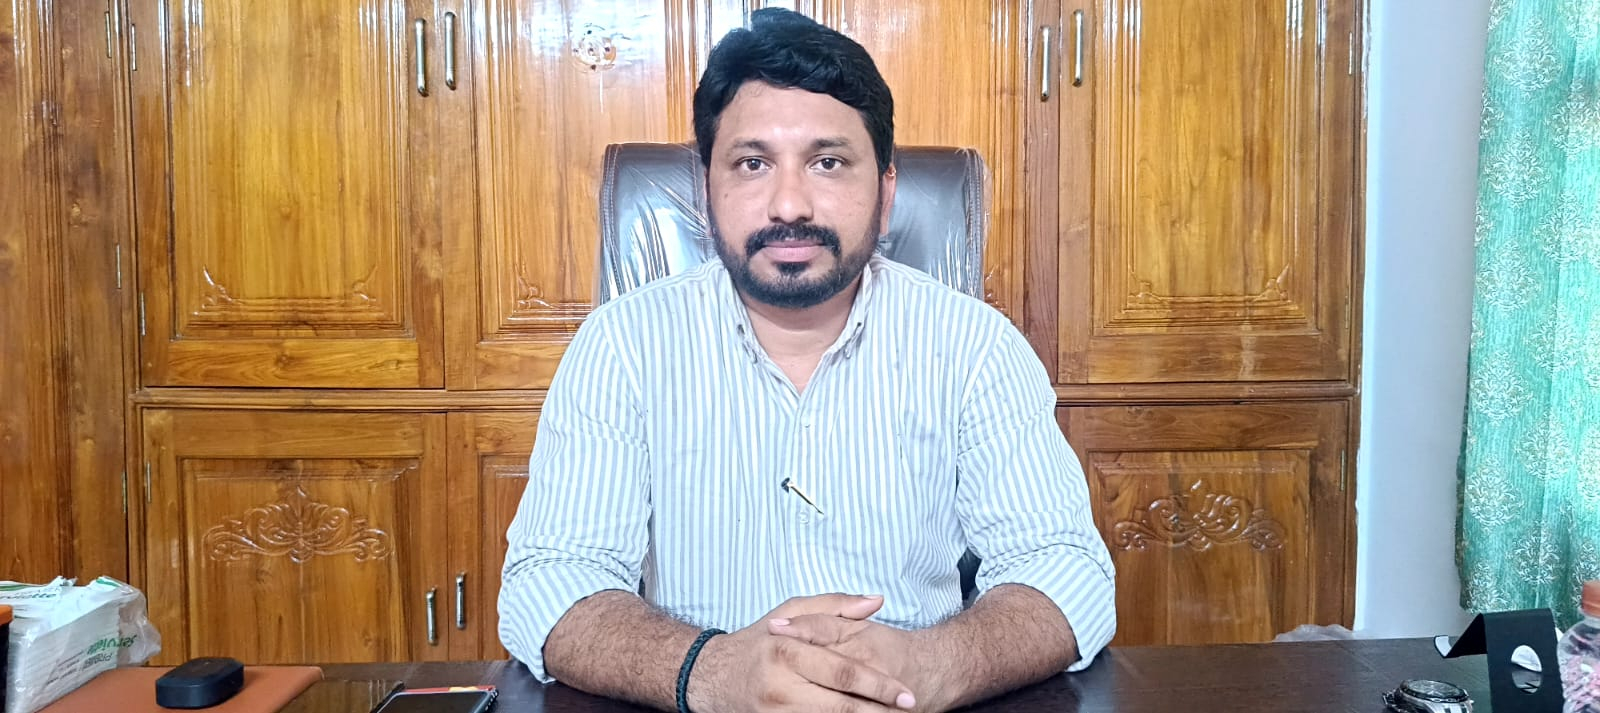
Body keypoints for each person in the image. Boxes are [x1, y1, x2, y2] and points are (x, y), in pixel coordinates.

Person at [498, 8, 1115, 712]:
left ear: (885, 191)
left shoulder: (976, 346)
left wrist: (931, 664)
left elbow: (1065, 569)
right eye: (752, 163)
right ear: (706, 189)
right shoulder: (623, 346)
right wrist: (710, 671)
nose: (789, 204)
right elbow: (551, 579)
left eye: (828, 162)